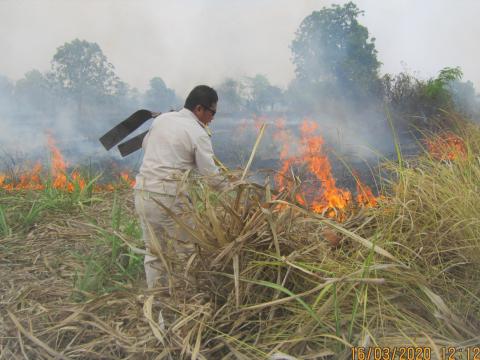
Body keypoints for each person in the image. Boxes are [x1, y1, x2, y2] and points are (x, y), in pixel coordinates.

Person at [134, 85, 226, 290]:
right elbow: (211, 177)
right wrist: (235, 189)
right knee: (186, 251)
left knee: (153, 253)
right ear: (199, 109)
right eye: (212, 112)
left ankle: (156, 300)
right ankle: (189, 300)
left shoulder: (162, 120)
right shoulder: (198, 133)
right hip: (169, 198)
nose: (212, 118)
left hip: (142, 192)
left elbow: (146, 146)